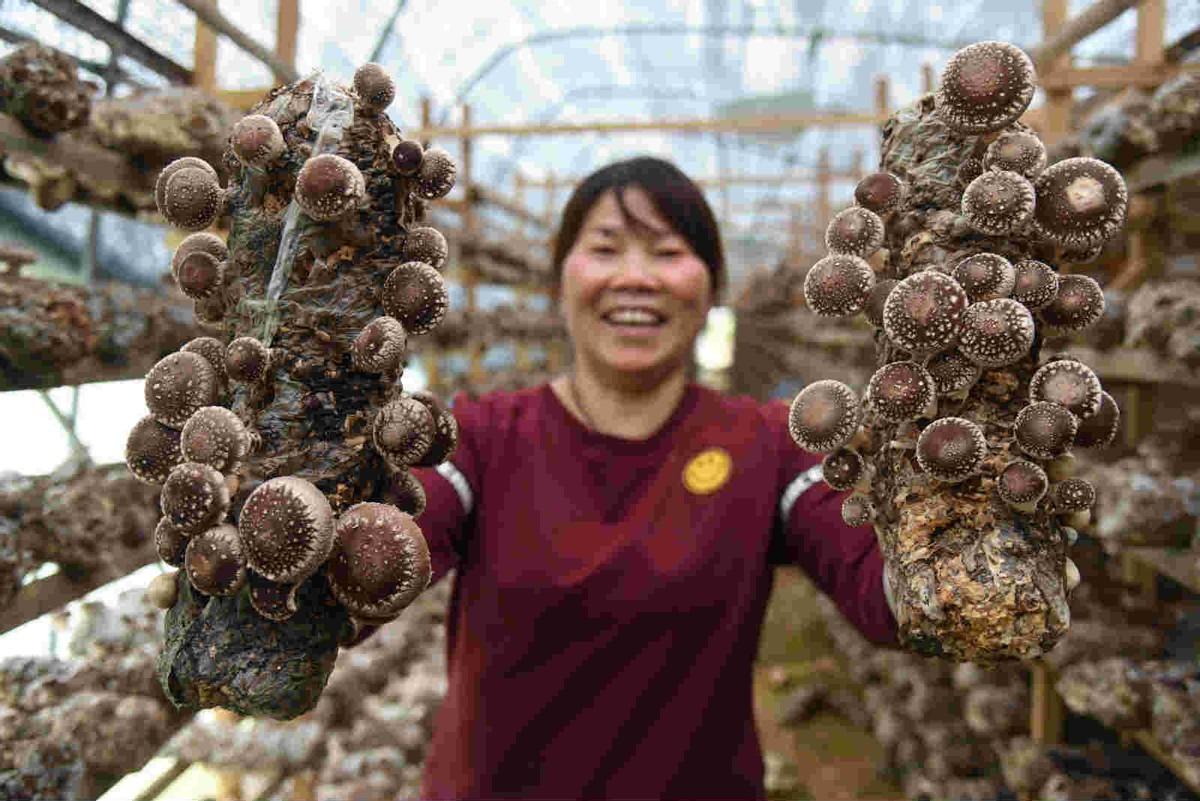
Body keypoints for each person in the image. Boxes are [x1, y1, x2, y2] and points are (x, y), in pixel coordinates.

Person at [399, 156, 899, 801]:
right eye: (605, 249)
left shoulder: (770, 443)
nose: (635, 278)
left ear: (712, 289)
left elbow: (885, 588)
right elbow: (386, 547)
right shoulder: (477, 437)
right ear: (560, 281)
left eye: (667, 252)